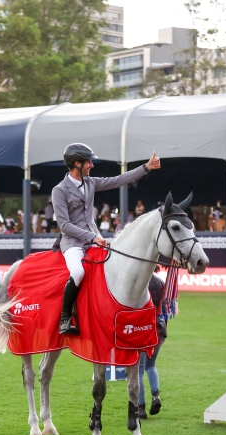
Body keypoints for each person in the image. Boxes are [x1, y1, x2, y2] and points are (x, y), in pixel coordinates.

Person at [52, 143, 161, 334]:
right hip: (73, 243)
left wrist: (146, 168)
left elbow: (118, 179)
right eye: (88, 162)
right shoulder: (59, 190)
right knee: (77, 272)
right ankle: (65, 319)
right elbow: (65, 226)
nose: (91, 166)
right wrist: (92, 236)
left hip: (95, 238)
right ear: (77, 163)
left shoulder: (91, 183)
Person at [138, 265, 167, 419]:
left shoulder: (140, 282)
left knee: (139, 370)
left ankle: (140, 407)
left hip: (143, 328)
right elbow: (163, 309)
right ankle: (155, 396)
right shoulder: (160, 282)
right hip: (158, 328)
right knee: (151, 365)